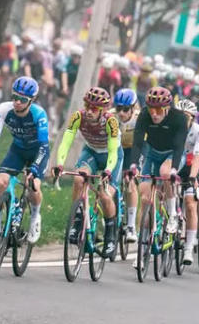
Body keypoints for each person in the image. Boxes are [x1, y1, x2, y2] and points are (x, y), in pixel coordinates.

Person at [54, 87, 122, 256]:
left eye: (94, 108)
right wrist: (60, 164)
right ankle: (77, 223)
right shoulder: (78, 116)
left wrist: (107, 170)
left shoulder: (110, 121)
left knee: (105, 195)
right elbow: (66, 141)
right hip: (91, 151)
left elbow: (113, 152)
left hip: (110, 155)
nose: (90, 111)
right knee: (78, 179)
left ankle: (110, 236)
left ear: (104, 109)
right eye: (87, 106)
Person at [0, 76, 50, 243]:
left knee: (33, 186)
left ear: (32, 100)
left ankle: (35, 217)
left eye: (22, 99)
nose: (16, 102)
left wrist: (35, 168)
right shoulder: (3, 109)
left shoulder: (39, 114)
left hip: (37, 152)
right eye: (14, 97)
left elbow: (44, 146)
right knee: (1, 182)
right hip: (17, 150)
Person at [130, 86, 189, 235]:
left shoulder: (179, 118)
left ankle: (172, 215)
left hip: (173, 153)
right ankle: (144, 243)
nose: (154, 114)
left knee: (165, 172)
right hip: (152, 153)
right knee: (145, 197)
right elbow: (137, 142)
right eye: (151, 109)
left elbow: (179, 146)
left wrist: (174, 169)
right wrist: (134, 165)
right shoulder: (144, 115)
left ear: (168, 107)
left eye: (158, 110)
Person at [176, 99, 199, 265]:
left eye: (185, 116)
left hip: (192, 167)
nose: (181, 119)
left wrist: (193, 178)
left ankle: (188, 248)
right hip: (175, 165)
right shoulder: (172, 128)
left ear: (193, 118)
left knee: (190, 202)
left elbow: (197, 156)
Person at [114, 88, 140, 242]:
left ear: (133, 108)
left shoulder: (139, 118)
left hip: (133, 151)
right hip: (116, 150)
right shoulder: (111, 116)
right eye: (119, 109)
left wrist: (134, 167)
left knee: (130, 183)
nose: (121, 113)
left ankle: (131, 226)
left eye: (125, 110)